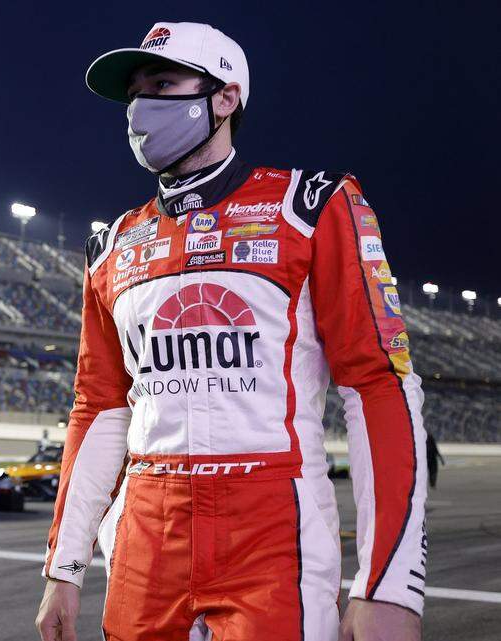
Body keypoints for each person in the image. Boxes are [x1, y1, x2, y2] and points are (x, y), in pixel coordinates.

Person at [36, 22, 427, 641]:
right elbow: (99, 407)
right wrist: (63, 568)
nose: (140, 107)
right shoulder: (110, 246)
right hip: (146, 530)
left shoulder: (312, 206)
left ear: (225, 96)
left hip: (274, 528)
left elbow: (378, 384)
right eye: (134, 92)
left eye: (162, 83)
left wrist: (389, 585)